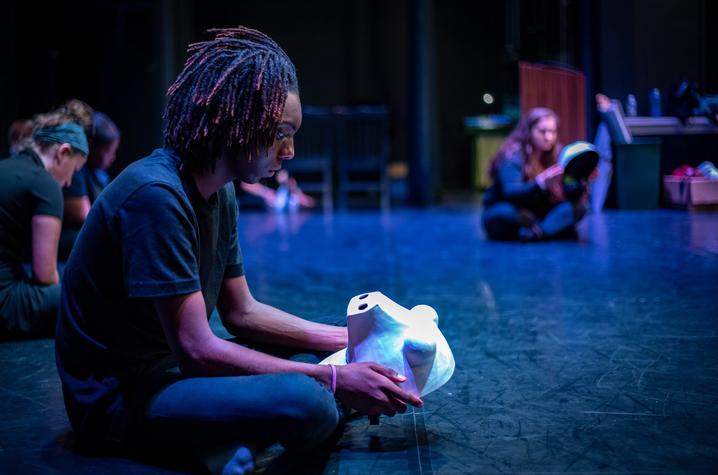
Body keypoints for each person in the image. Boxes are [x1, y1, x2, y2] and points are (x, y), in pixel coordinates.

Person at [55, 26, 422, 474]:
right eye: (281, 134)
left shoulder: (220, 191)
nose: (289, 152)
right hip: (121, 398)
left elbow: (242, 312)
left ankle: (224, 439)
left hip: (172, 373)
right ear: (238, 122)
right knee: (311, 399)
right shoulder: (155, 195)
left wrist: (349, 341)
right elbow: (195, 348)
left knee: (316, 363)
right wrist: (332, 380)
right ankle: (223, 438)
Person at [0, 111, 88, 338]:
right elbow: (45, 276)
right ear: (63, 152)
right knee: (87, 294)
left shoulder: (6, 166)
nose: (69, 182)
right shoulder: (45, 184)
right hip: (5, 304)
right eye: (74, 171)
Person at [482, 107, 587, 241]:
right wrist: (541, 183)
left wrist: (582, 182)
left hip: (539, 212)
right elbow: (511, 193)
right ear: (529, 131)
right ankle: (548, 229)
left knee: (579, 208)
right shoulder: (512, 156)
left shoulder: (558, 154)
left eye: (552, 132)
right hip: (513, 209)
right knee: (503, 214)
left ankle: (539, 232)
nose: (548, 137)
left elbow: (570, 194)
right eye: (542, 132)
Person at [59, 111, 121, 259]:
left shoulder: (100, 175)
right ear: (92, 146)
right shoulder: (77, 169)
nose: (113, 157)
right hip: (65, 239)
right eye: (108, 151)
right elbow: (82, 215)